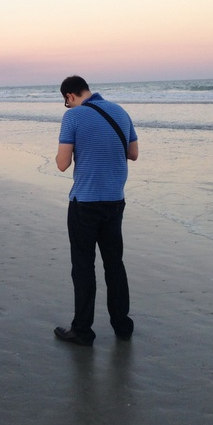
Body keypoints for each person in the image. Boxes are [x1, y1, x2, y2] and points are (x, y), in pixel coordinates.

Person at [54, 75, 139, 346]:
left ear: (69, 96)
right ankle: (122, 326)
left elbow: (62, 164)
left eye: (66, 102)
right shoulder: (120, 111)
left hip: (85, 203)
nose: (68, 106)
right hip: (115, 201)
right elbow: (133, 153)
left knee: (83, 267)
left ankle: (82, 330)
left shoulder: (73, 117)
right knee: (115, 264)